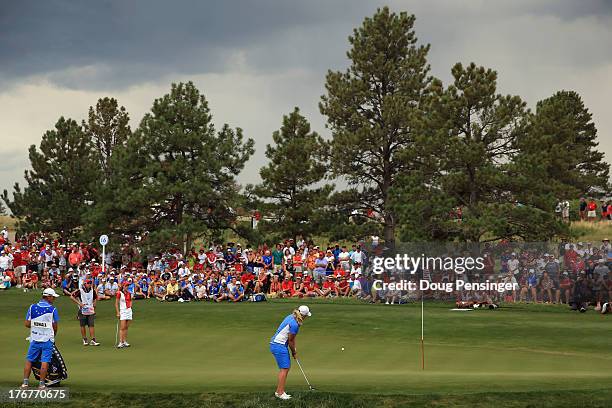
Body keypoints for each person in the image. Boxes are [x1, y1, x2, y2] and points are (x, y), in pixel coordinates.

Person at [269, 305, 312, 400]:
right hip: (278, 345)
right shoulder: (295, 324)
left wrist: (294, 350)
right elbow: (291, 341)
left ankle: (280, 391)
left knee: (285, 368)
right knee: (284, 369)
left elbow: (292, 339)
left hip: (276, 344)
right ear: (304, 316)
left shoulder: (291, 316)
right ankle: (279, 393)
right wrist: (294, 352)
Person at [22, 288, 60, 389]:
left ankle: (25, 383)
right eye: (53, 297)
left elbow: (26, 324)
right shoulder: (52, 309)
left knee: (29, 360)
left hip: (34, 338)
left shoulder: (32, 307)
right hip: (47, 340)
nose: (54, 299)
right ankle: (42, 385)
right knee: (45, 361)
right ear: (48, 297)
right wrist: (53, 336)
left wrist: (36, 325)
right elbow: (55, 327)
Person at [69, 279, 100, 346]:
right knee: (82, 325)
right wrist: (79, 303)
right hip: (82, 310)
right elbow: (72, 296)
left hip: (90, 310)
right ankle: (84, 339)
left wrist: (94, 304)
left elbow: (95, 298)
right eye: (88, 283)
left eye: (90, 283)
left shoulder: (92, 290)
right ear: (85, 284)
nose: (89, 284)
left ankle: (93, 340)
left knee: (91, 325)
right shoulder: (80, 290)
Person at [115, 282, 133, 348]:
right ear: (123, 286)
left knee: (126, 327)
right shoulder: (119, 293)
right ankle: (120, 342)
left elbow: (130, 301)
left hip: (129, 311)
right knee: (122, 327)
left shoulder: (129, 293)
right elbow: (116, 303)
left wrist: (130, 305)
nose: (127, 287)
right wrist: (118, 312)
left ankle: (124, 341)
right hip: (123, 311)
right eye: (126, 285)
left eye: (128, 285)